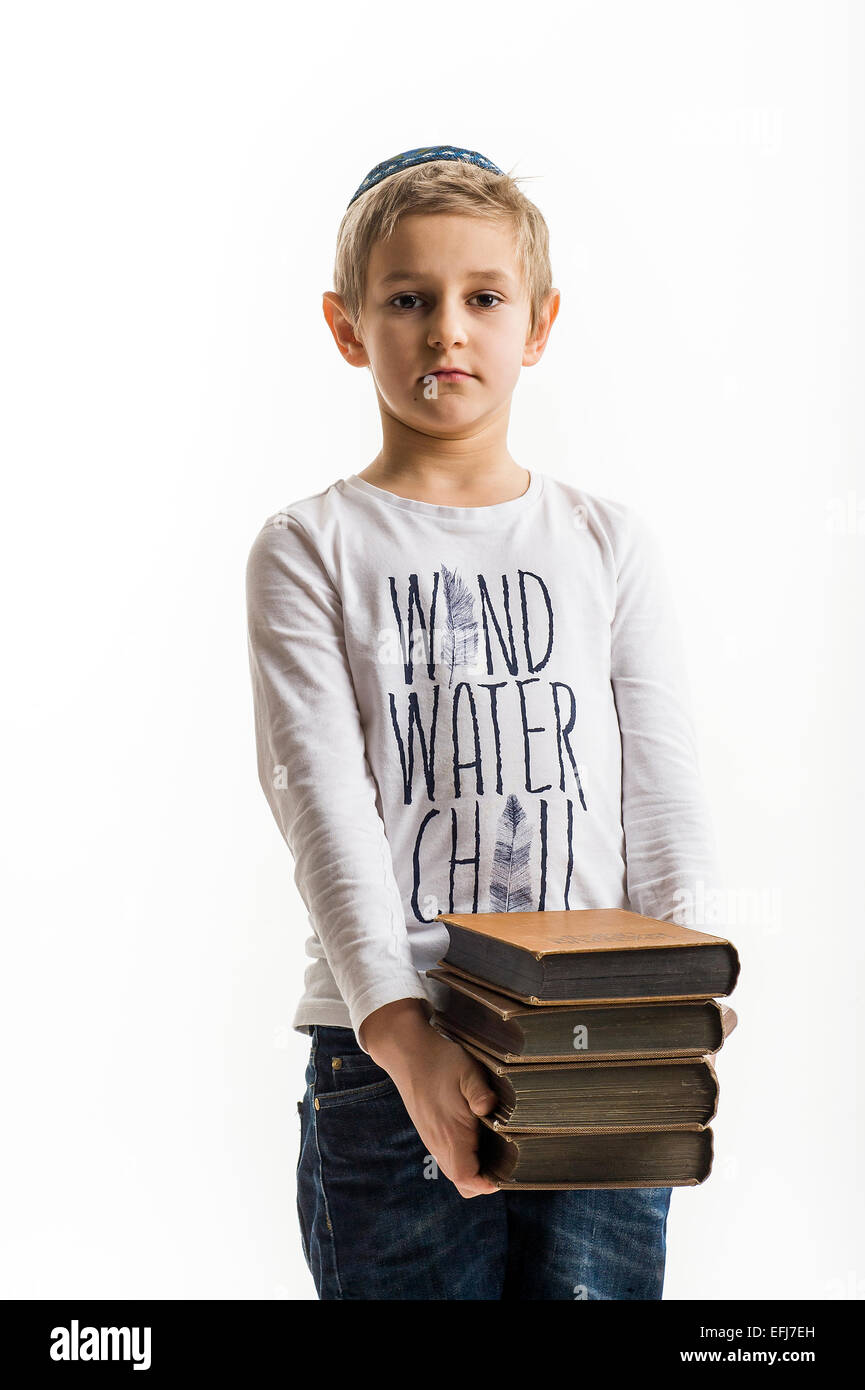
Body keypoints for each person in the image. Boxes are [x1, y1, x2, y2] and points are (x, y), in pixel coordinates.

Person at [245, 145, 724, 1300]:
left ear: (539, 323)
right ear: (348, 325)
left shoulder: (605, 543)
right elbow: (324, 807)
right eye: (407, 299)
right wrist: (405, 1040)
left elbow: (662, 801)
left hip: (598, 1046)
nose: (446, 330)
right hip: (390, 1046)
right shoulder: (309, 548)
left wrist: (681, 1023)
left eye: (482, 298)